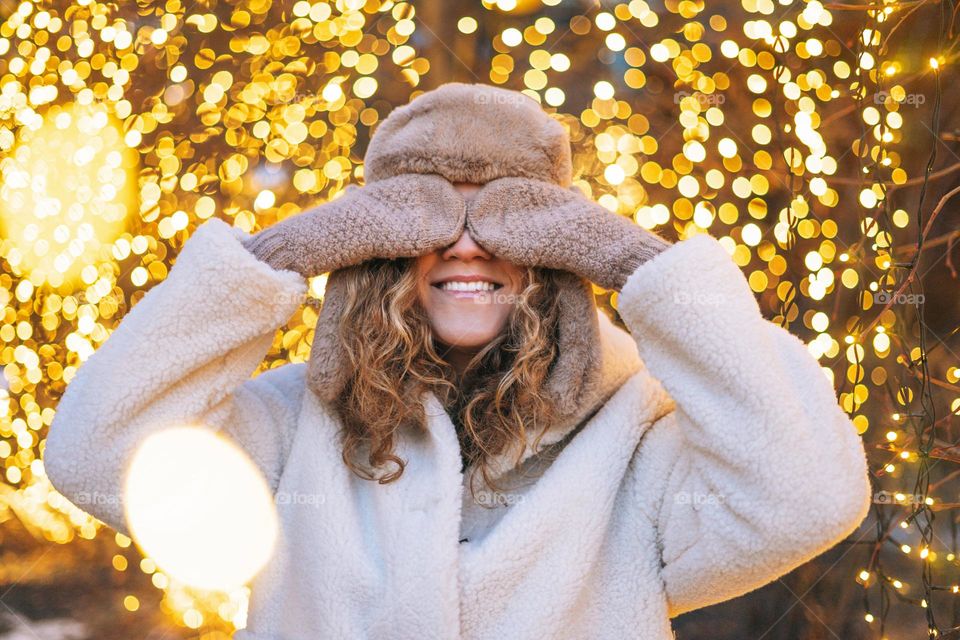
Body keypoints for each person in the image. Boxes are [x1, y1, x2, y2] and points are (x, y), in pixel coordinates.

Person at [43, 83, 872, 639]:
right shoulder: (291, 425)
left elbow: (804, 498)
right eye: (429, 213)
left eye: (509, 216)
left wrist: (631, 260)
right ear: (378, 241)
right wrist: (280, 254)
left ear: (552, 248)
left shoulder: (638, 436)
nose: (467, 244)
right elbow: (97, 454)